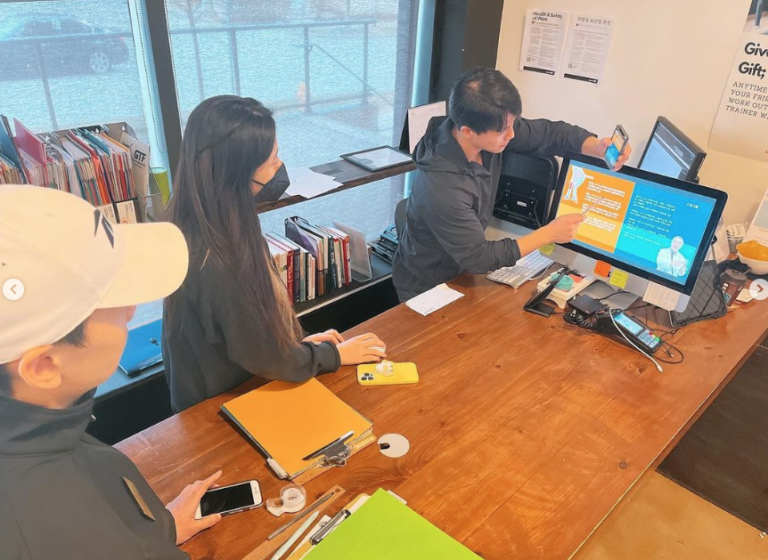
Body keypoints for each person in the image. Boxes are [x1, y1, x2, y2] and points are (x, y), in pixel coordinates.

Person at [0, 185, 222, 559]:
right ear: (44, 366)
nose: (132, 310)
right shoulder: (62, 533)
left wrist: (159, 529)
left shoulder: (39, 424)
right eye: (114, 301)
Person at [163, 95, 386, 413]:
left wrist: (298, 348)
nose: (280, 167)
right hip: (217, 407)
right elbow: (263, 354)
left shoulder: (205, 217)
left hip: (225, 380)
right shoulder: (216, 259)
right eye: (272, 160)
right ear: (238, 175)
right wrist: (333, 356)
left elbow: (247, 336)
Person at [393, 67, 632, 301]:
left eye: (512, 124)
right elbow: (479, 257)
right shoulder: (442, 188)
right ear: (468, 131)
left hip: (461, 271)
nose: (512, 135)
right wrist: (549, 233)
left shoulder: (484, 128)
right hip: (426, 285)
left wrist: (596, 147)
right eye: (503, 130)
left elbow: (550, 134)